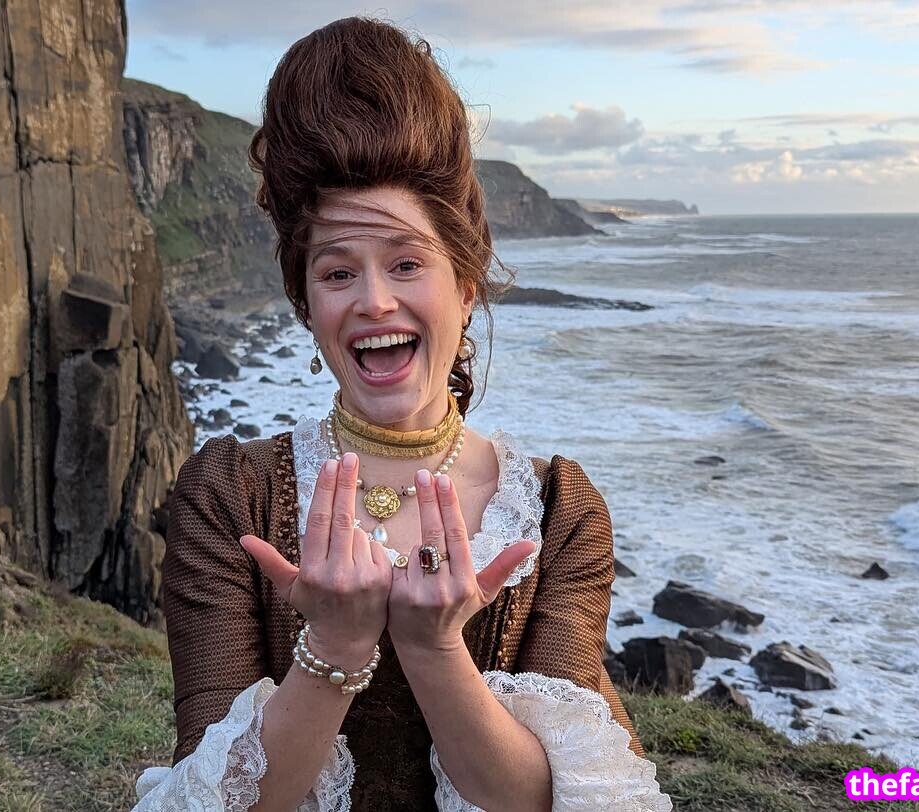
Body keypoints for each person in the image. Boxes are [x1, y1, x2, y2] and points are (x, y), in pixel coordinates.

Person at [132, 15, 673, 812]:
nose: (374, 300)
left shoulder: (559, 514)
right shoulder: (228, 498)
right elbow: (220, 798)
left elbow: (542, 800)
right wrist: (336, 646)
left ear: (466, 285)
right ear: (307, 305)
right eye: (337, 272)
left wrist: (434, 648)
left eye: (407, 263)